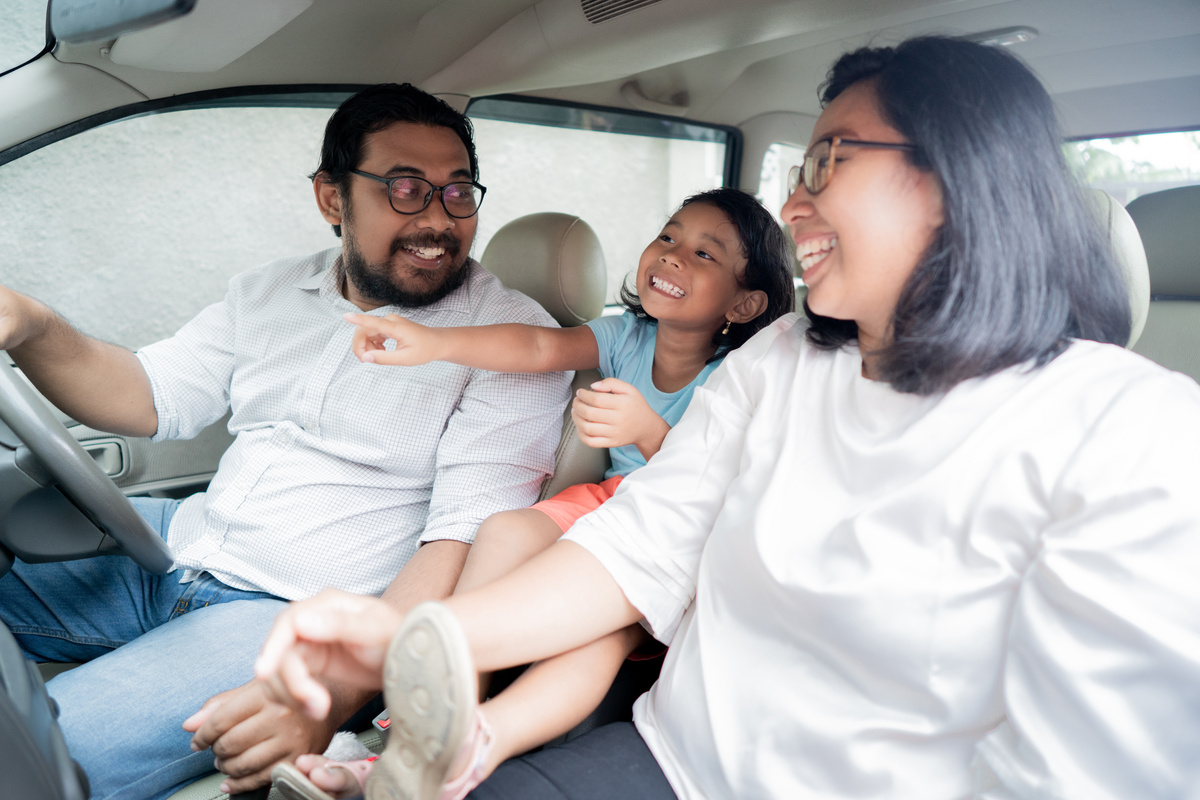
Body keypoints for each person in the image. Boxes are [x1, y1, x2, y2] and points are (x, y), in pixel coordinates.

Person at [253, 36, 1200, 800]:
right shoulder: (786, 360)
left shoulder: (1135, 433)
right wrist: (415, 638)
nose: (793, 204)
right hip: (665, 761)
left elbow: (1083, 772)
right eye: (800, 166)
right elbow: (639, 545)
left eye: (829, 162)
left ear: (957, 185)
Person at [0, 83, 571, 800]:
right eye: (405, 188)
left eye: (458, 192)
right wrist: (29, 324)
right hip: (171, 546)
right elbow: (146, 394)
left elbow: (459, 542)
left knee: (28, 755)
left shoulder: (513, 342)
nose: (438, 219)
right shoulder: (268, 292)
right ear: (332, 199)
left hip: (285, 618)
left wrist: (330, 689)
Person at [268, 187, 795, 800]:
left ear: (745, 301)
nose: (674, 255)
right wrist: (433, 342)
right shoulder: (627, 336)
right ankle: (425, 722)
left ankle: (461, 752)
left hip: (680, 531)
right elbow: (540, 347)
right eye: (670, 236)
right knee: (504, 530)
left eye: (706, 254)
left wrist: (651, 433)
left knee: (596, 633)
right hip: (609, 501)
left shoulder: (739, 371)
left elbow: (711, 485)